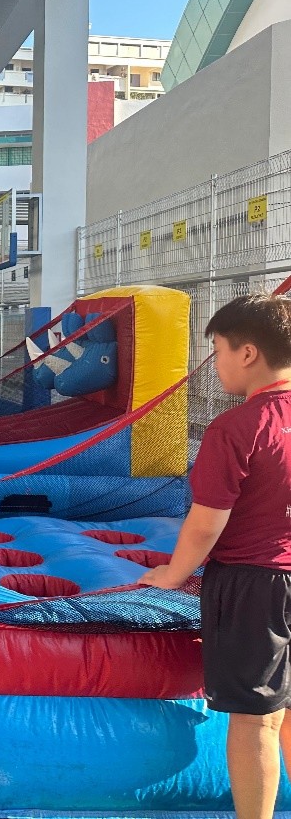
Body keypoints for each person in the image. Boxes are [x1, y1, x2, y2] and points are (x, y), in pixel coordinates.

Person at [140, 293, 291, 819]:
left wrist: (171, 574)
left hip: (255, 584)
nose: (216, 362)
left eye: (219, 350)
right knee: (283, 712)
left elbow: (206, 524)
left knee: (254, 719)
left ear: (247, 353)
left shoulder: (236, 429)